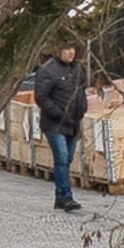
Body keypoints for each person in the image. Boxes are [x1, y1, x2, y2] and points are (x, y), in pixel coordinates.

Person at [30, 43, 89, 213]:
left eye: (73, 49)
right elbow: (41, 96)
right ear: (58, 50)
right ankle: (67, 196)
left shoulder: (78, 69)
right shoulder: (48, 70)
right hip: (54, 123)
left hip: (73, 122)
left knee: (68, 159)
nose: (71, 52)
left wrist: (82, 108)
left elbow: (82, 91)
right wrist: (57, 113)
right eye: (67, 49)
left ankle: (59, 197)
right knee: (62, 157)